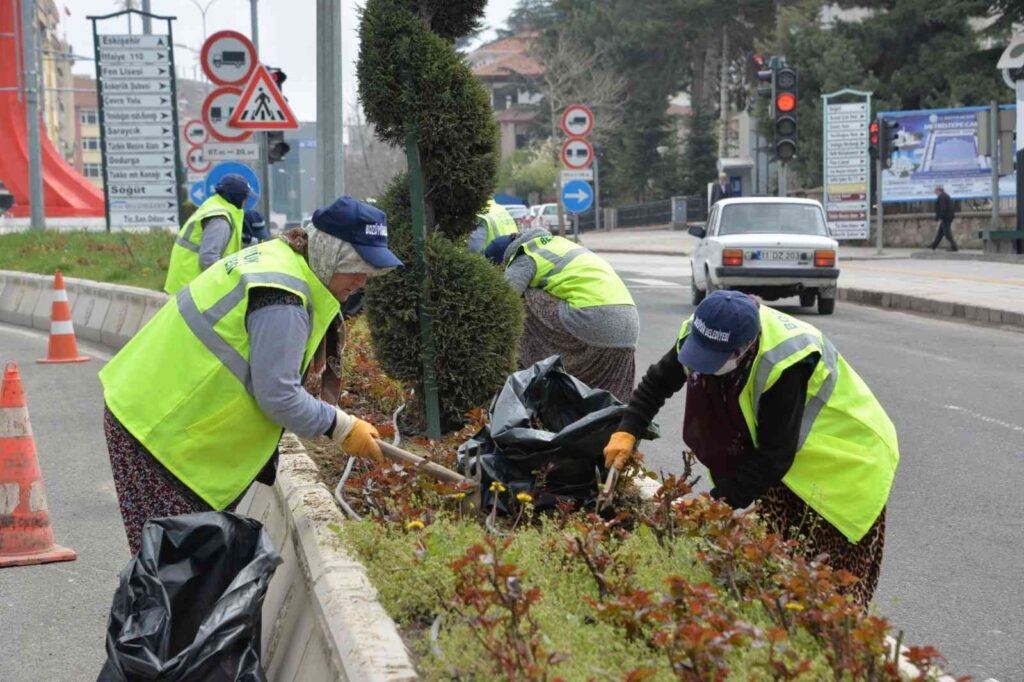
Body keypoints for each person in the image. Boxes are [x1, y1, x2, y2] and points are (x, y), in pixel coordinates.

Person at [100, 196, 403, 554]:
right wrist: (341, 426)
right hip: (159, 435)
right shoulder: (283, 298)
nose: (361, 280)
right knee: (171, 576)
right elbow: (278, 395)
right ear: (330, 251)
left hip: (156, 417)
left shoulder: (283, 262)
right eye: (356, 265)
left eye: (369, 269)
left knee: (175, 575)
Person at [603, 291, 899, 607]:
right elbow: (658, 382)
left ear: (744, 348)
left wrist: (709, 506)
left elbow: (774, 457)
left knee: (825, 595)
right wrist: (627, 430)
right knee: (777, 577)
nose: (702, 367)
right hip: (788, 466)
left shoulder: (784, 364)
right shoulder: (704, 330)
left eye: (713, 361)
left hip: (845, 466)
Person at [484, 227, 639, 402]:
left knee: (520, 300)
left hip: (593, 319)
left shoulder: (524, 255)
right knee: (608, 409)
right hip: (628, 328)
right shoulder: (558, 244)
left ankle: (525, 371)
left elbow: (504, 302)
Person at [164, 174, 255, 295]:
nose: (246, 202)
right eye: (245, 198)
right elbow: (209, 259)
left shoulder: (214, 205)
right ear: (238, 198)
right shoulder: (220, 219)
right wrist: (231, 282)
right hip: (194, 288)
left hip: (187, 283)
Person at [930, 184, 958, 251]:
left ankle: (954, 247)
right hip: (947, 217)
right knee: (940, 233)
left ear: (939, 191)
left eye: (936, 191)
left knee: (947, 233)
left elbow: (943, 208)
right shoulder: (944, 196)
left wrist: (939, 217)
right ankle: (934, 246)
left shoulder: (942, 197)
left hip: (946, 217)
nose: (935, 193)